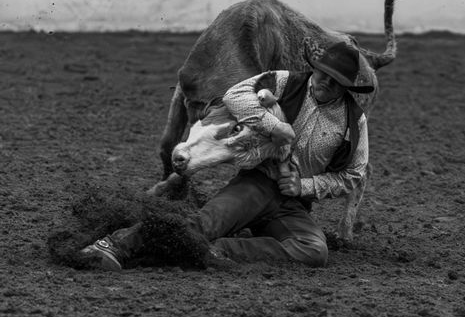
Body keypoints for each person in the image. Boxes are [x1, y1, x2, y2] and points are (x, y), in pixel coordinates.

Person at [78, 42, 372, 270]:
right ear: (314, 68)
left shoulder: (353, 121)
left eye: (336, 83)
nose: (326, 84)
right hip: (257, 183)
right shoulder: (284, 82)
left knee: (314, 251)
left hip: (294, 204)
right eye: (324, 75)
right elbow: (234, 95)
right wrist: (275, 125)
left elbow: (353, 175)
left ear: (347, 88)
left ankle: (219, 249)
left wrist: (304, 187)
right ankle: (115, 245)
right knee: (203, 223)